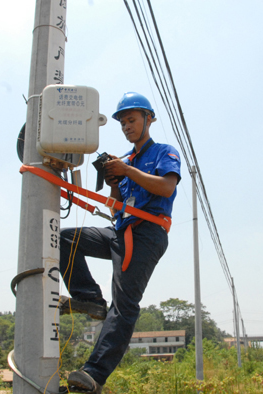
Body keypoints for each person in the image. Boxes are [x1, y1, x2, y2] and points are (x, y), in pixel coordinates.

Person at [59, 92, 181, 393]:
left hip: (147, 233)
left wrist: (126, 171)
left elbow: (166, 188)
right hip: (120, 230)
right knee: (64, 239)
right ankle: (88, 298)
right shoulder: (125, 162)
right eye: (123, 122)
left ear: (148, 119)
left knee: (125, 304)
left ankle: (94, 374)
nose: (127, 126)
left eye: (132, 120)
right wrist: (115, 183)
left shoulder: (164, 152)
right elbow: (115, 207)